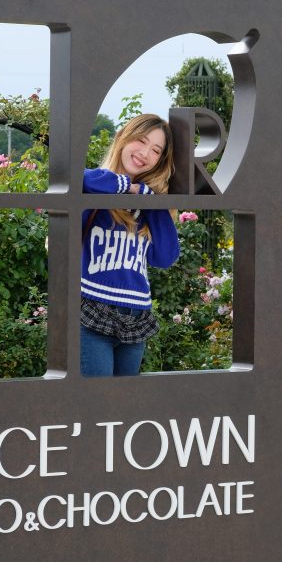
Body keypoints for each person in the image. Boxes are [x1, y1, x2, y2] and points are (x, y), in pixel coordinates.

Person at [81, 114, 180, 376]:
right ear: (123, 138)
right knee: (96, 399)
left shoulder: (149, 201)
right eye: (141, 141)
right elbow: (80, 178)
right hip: (91, 308)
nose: (145, 153)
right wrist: (127, 187)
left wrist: (149, 200)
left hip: (136, 314)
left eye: (156, 150)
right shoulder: (94, 189)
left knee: (124, 400)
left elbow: (165, 257)